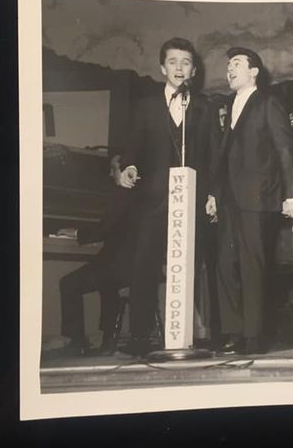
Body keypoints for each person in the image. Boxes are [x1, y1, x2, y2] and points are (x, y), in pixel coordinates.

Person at [117, 37, 212, 356]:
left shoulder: (205, 107)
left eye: (186, 62)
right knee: (143, 267)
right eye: (173, 62)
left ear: (194, 70)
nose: (179, 68)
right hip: (152, 202)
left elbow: (212, 156)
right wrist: (129, 167)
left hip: (192, 201)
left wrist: (212, 195)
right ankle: (140, 337)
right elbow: (131, 150)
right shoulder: (144, 106)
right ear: (162, 67)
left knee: (189, 268)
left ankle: (187, 335)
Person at [207, 47, 293, 355]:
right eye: (228, 65)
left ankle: (254, 336)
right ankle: (233, 332)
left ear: (254, 72)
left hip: (258, 196)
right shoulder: (229, 104)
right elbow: (223, 157)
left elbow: (285, 149)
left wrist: (292, 195)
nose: (230, 69)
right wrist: (214, 193)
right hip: (229, 199)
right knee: (225, 265)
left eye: (237, 64)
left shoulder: (268, 102)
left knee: (252, 266)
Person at [56, 155, 133, 356]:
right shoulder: (137, 195)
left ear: (125, 171)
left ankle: (77, 342)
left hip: (116, 265)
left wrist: (75, 233)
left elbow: (104, 229)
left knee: (69, 283)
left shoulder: (121, 194)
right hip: (129, 264)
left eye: (113, 169)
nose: (110, 173)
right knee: (106, 283)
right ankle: (107, 341)